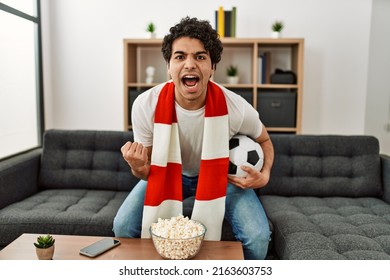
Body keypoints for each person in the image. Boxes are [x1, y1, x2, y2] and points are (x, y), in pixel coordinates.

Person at [113, 16, 274, 260]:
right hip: (167, 174)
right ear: (168, 66)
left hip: (223, 176)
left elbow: (265, 140)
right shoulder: (146, 105)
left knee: (258, 236)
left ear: (212, 67)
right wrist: (138, 166)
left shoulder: (235, 107)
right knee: (123, 226)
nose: (190, 64)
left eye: (200, 57)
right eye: (180, 57)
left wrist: (265, 175)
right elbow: (146, 172)